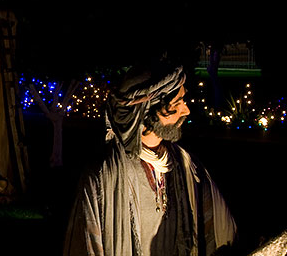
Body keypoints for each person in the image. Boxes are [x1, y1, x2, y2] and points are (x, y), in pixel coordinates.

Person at [65, 62, 237, 256]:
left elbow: (219, 233)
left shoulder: (187, 167)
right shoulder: (104, 176)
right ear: (148, 110)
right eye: (177, 103)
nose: (186, 110)